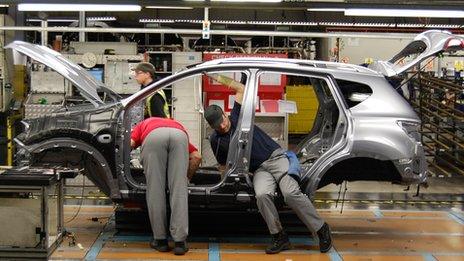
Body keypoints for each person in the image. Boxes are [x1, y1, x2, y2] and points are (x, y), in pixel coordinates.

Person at [203, 74, 332, 254]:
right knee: (262, 195)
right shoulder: (216, 140)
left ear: (225, 114)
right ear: (212, 126)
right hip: (258, 170)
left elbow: (242, 89)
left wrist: (217, 77)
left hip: (276, 158)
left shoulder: (237, 116)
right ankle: (279, 236)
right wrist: (223, 183)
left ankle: (321, 228)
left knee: (290, 193)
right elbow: (222, 165)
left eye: (223, 120)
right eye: (218, 125)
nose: (223, 126)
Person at [131, 117, 201, 255]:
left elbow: (130, 143)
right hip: (179, 136)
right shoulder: (175, 124)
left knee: (155, 190)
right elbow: (196, 156)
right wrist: (185, 178)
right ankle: (180, 243)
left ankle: (160, 241)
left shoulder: (143, 124)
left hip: (153, 137)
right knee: (179, 190)